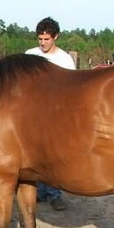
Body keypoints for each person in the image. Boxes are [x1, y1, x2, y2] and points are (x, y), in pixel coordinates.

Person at [25, 17, 76, 211]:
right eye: (40, 39)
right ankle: (39, 192)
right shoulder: (30, 55)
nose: (42, 43)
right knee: (35, 154)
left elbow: (71, 89)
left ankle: (55, 194)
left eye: (46, 39)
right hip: (33, 114)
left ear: (55, 37)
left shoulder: (64, 59)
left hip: (56, 114)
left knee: (53, 156)